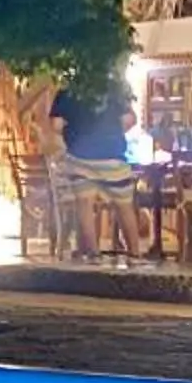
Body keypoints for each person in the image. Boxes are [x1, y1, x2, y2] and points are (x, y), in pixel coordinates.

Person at [51, 77, 149, 261]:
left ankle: (93, 253)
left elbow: (56, 125)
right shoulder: (114, 88)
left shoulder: (67, 90)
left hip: (79, 156)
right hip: (112, 155)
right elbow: (130, 120)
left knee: (84, 204)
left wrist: (74, 133)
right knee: (124, 205)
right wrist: (111, 132)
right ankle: (134, 253)